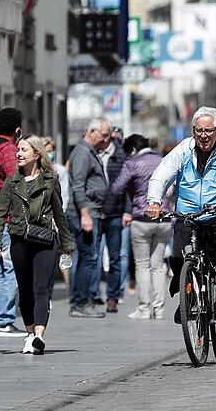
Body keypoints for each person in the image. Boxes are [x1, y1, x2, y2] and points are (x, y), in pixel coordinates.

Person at [146, 106, 216, 332]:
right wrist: (154, 201)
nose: (203, 135)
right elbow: (161, 174)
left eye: (208, 130)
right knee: (177, 256)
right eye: (198, 130)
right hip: (188, 213)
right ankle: (188, 296)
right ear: (193, 130)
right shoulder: (184, 149)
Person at [0, 136, 75, 355]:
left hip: (45, 240)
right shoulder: (12, 181)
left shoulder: (50, 179)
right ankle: (29, 334)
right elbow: (0, 214)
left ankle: (38, 336)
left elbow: (59, 213)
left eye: (23, 150)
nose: (18, 154)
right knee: (25, 290)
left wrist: (66, 244)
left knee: (41, 288)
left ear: (36, 154)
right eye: (18, 149)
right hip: (19, 239)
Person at [110, 134, 168, 319]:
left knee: (142, 265)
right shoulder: (162, 160)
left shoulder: (133, 163)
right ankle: (159, 309)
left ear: (133, 149)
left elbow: (116, 188)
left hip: (142, 217)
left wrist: (133, 189)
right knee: (158, 267)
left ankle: (144, 308)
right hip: (164, 217)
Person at [68, 118, 113, 318]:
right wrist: (85, 213)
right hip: (84, 214)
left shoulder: (89, 151)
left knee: (88, 257)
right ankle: (80, 302)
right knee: (88, 257)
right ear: (92, 132)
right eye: (104, 135)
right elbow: (78, 185)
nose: (106, 140)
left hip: (92, 212)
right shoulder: (82, 152)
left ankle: (81, 300)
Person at [0, 107, 23, 337]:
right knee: (10, 269)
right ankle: (3, 319)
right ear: (17, 130)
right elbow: (16, 183)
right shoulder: (9, 150)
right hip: (8, 217)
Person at [93, 130, 127, 313]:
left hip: (115, 213)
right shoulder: (91, 152)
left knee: (115, 258)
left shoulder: (120, 155)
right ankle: (93, 294)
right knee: (93, 256)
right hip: (95, 212)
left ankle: (112, 297)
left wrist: (127, 211)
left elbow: (128, 185)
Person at [46, 139, 71, 287]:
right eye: (47, 150)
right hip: (44, 220)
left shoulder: (60, 170)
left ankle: (69, 288)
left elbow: (65, 196)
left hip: (58, 218)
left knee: (64, 254)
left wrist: (59, 217)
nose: (50, 153)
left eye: (51, 150)